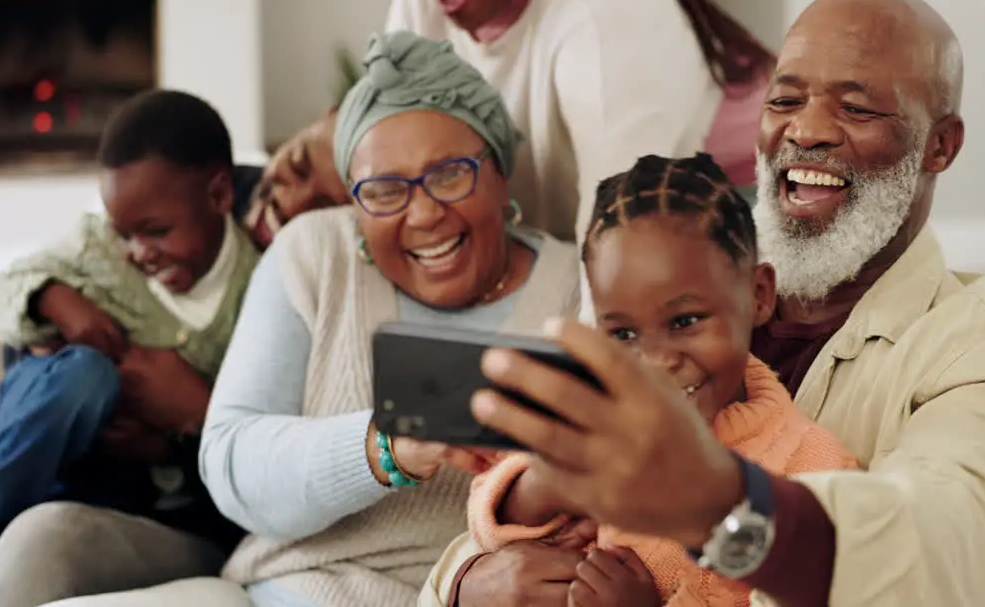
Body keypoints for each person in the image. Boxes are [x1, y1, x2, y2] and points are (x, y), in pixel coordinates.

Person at [420, 0, 985, 606]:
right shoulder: (675, 292)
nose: (807, 130)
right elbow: (522, 510)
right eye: (785, 100)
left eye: (855, 108)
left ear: (940, 146)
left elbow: (938, 553)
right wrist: (469, 582)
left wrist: (721, 508)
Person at [39, 31, 584, 607]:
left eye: (451, 174)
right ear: (354, 202)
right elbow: (231, 463)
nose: (423, 214)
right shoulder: (316, 253)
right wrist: (385, 446)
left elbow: (611, 513)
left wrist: (455, 582)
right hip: (277, 591)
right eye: (383, 191)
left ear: (500, 172)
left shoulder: (577, 290)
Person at [0, 90, 258, 607]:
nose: (138, 253)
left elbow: (262, 431)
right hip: (56, 414)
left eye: (155, 232)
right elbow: (2, 293)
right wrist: (55, 300)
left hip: (137, 489)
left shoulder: (259, 292)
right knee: (84, 373)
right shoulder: (97, 247)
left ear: (219, 195)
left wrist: (173, 434)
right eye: (125, 233)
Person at [243, 0, 774, 248]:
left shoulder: (604, 9)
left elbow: (626, 238)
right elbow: (396, 157)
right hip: (560, 238)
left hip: (718, 223)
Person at [465, 153, 858, 607]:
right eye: (624, 333)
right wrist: (539, 489)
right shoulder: (593, 414)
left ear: (758, 296)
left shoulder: (816, 473)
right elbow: (485, 521)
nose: (654, 362)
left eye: (685, 320)